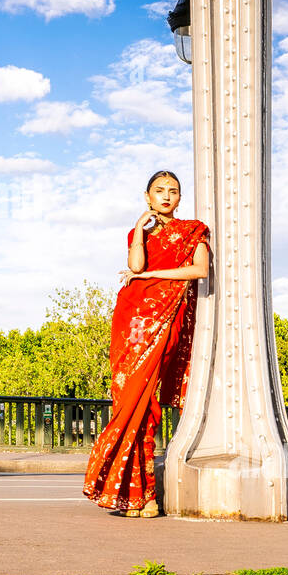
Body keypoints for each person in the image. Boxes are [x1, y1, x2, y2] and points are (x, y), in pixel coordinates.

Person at [83, 170, 210, 517]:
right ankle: (140, 496)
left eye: (173, 191)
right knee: (129, 400)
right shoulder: (138, 231)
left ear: (180, 198)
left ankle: (139, 493)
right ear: (147, 196)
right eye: (159, 191)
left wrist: (152, 275)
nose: (166, 196)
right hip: (132, 320)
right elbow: (134, 265)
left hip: (165, 317)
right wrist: (139, 230)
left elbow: (200, 271)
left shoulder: (192, 231)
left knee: (147, 402)